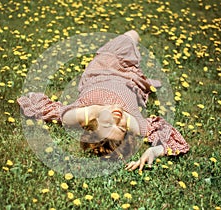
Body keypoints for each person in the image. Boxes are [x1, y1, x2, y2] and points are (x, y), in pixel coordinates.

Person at [17, 30, 190, 171]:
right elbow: (169, 135)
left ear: (93, 123)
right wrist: (153, 151)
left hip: (104, 63)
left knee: (131, 36)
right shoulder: (134, 123)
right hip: (128, 76)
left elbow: (45, 107)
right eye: (121, 127)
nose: (118, 118)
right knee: (132, 36)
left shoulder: (79, 114)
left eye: (108, 125)